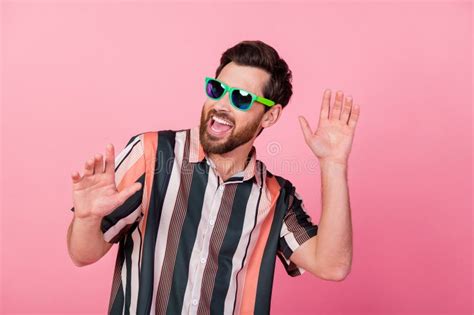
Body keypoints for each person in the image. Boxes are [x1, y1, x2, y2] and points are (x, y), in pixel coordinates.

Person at [66, 40, 359, 315]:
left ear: (269, 116)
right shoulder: (151, 155)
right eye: (217, 89)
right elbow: (83, 254)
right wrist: (87, 219)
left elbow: (332, 265)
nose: (221, 104)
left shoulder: (275, 196)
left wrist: (333, 164)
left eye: (241, 98)